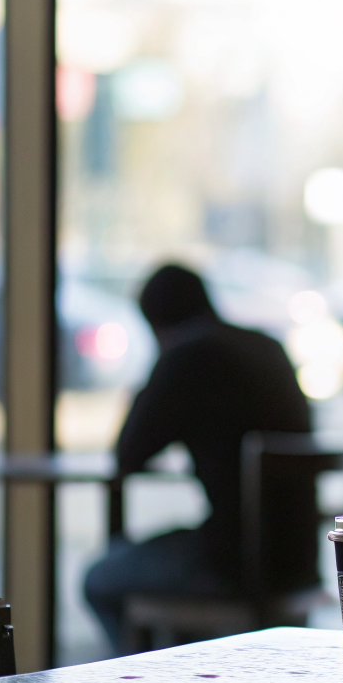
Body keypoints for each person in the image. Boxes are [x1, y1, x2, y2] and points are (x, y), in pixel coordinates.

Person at [84, 264, 316, 652]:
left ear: (156, 324)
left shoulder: (187, 356)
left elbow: (128, 452)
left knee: (100, 579)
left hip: (235, 567)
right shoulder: (266, 345)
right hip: (299, 563)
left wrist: (155, 372)